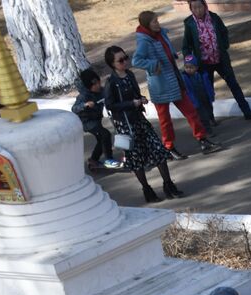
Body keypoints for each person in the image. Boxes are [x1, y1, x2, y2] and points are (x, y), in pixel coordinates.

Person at [103, 47, 184, 203]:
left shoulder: (130, 75)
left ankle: (168, 184)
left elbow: (135, 94)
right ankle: (147, 190)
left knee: (158, 150)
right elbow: (110, 105)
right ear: (112, 64)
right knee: (136, 158)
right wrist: (131, 103)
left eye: (125, 58)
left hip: (140, 120)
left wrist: (140, 99)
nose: (125, 62)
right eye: (120, 60)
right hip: (126, 125)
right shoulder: (111, 82)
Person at [132, 12, 217, 157]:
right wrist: (153, 64)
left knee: (191, 112)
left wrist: (172, 54)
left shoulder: (160, 33)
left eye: (157, 20)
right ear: (146, 24)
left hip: (174, 79)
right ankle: (169, 147)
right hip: (160, 85)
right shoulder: (144, 41)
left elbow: (166, 49)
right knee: (165, 120)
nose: (157, 23)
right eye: (154, 21)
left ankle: (203, 140)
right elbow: (136, 60)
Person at [182, 0, 251, 120]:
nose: (198, 10)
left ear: (205, 6)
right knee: (207, 91)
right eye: (194, 8)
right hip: (204, 64)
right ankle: (210, 119)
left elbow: (224, 32)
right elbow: (186, 45)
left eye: (200, 7)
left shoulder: (214, 17)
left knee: (233, 84)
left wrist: (224, 45)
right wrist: (190, 61)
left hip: (221, 60)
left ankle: (247, 112)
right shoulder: (189, 24)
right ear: (191, 9)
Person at [73, 69, 123, 172]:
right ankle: (109, 160)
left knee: (101, 139)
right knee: (105, 134)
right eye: (94, 85)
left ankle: (93, 160)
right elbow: (74, 108)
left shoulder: (101, 90)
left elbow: (110, 96)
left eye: (98, 82)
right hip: (86, 122)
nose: (97, 86)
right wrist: (85, 105)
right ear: (88, 86)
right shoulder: (84, 96)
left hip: (96, 119)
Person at [178, 55, 216, 133]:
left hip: (205, 97)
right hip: (196, 100)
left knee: (209, 110)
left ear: (196, 67)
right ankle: (208, 130)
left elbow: (208, 85)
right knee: (202, 116)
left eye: (191, 67)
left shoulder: (202, 75)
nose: (188, 69)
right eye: (186, 67)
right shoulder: (185, 78)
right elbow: (187, 91)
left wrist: (211, 94)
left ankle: (211, 119)